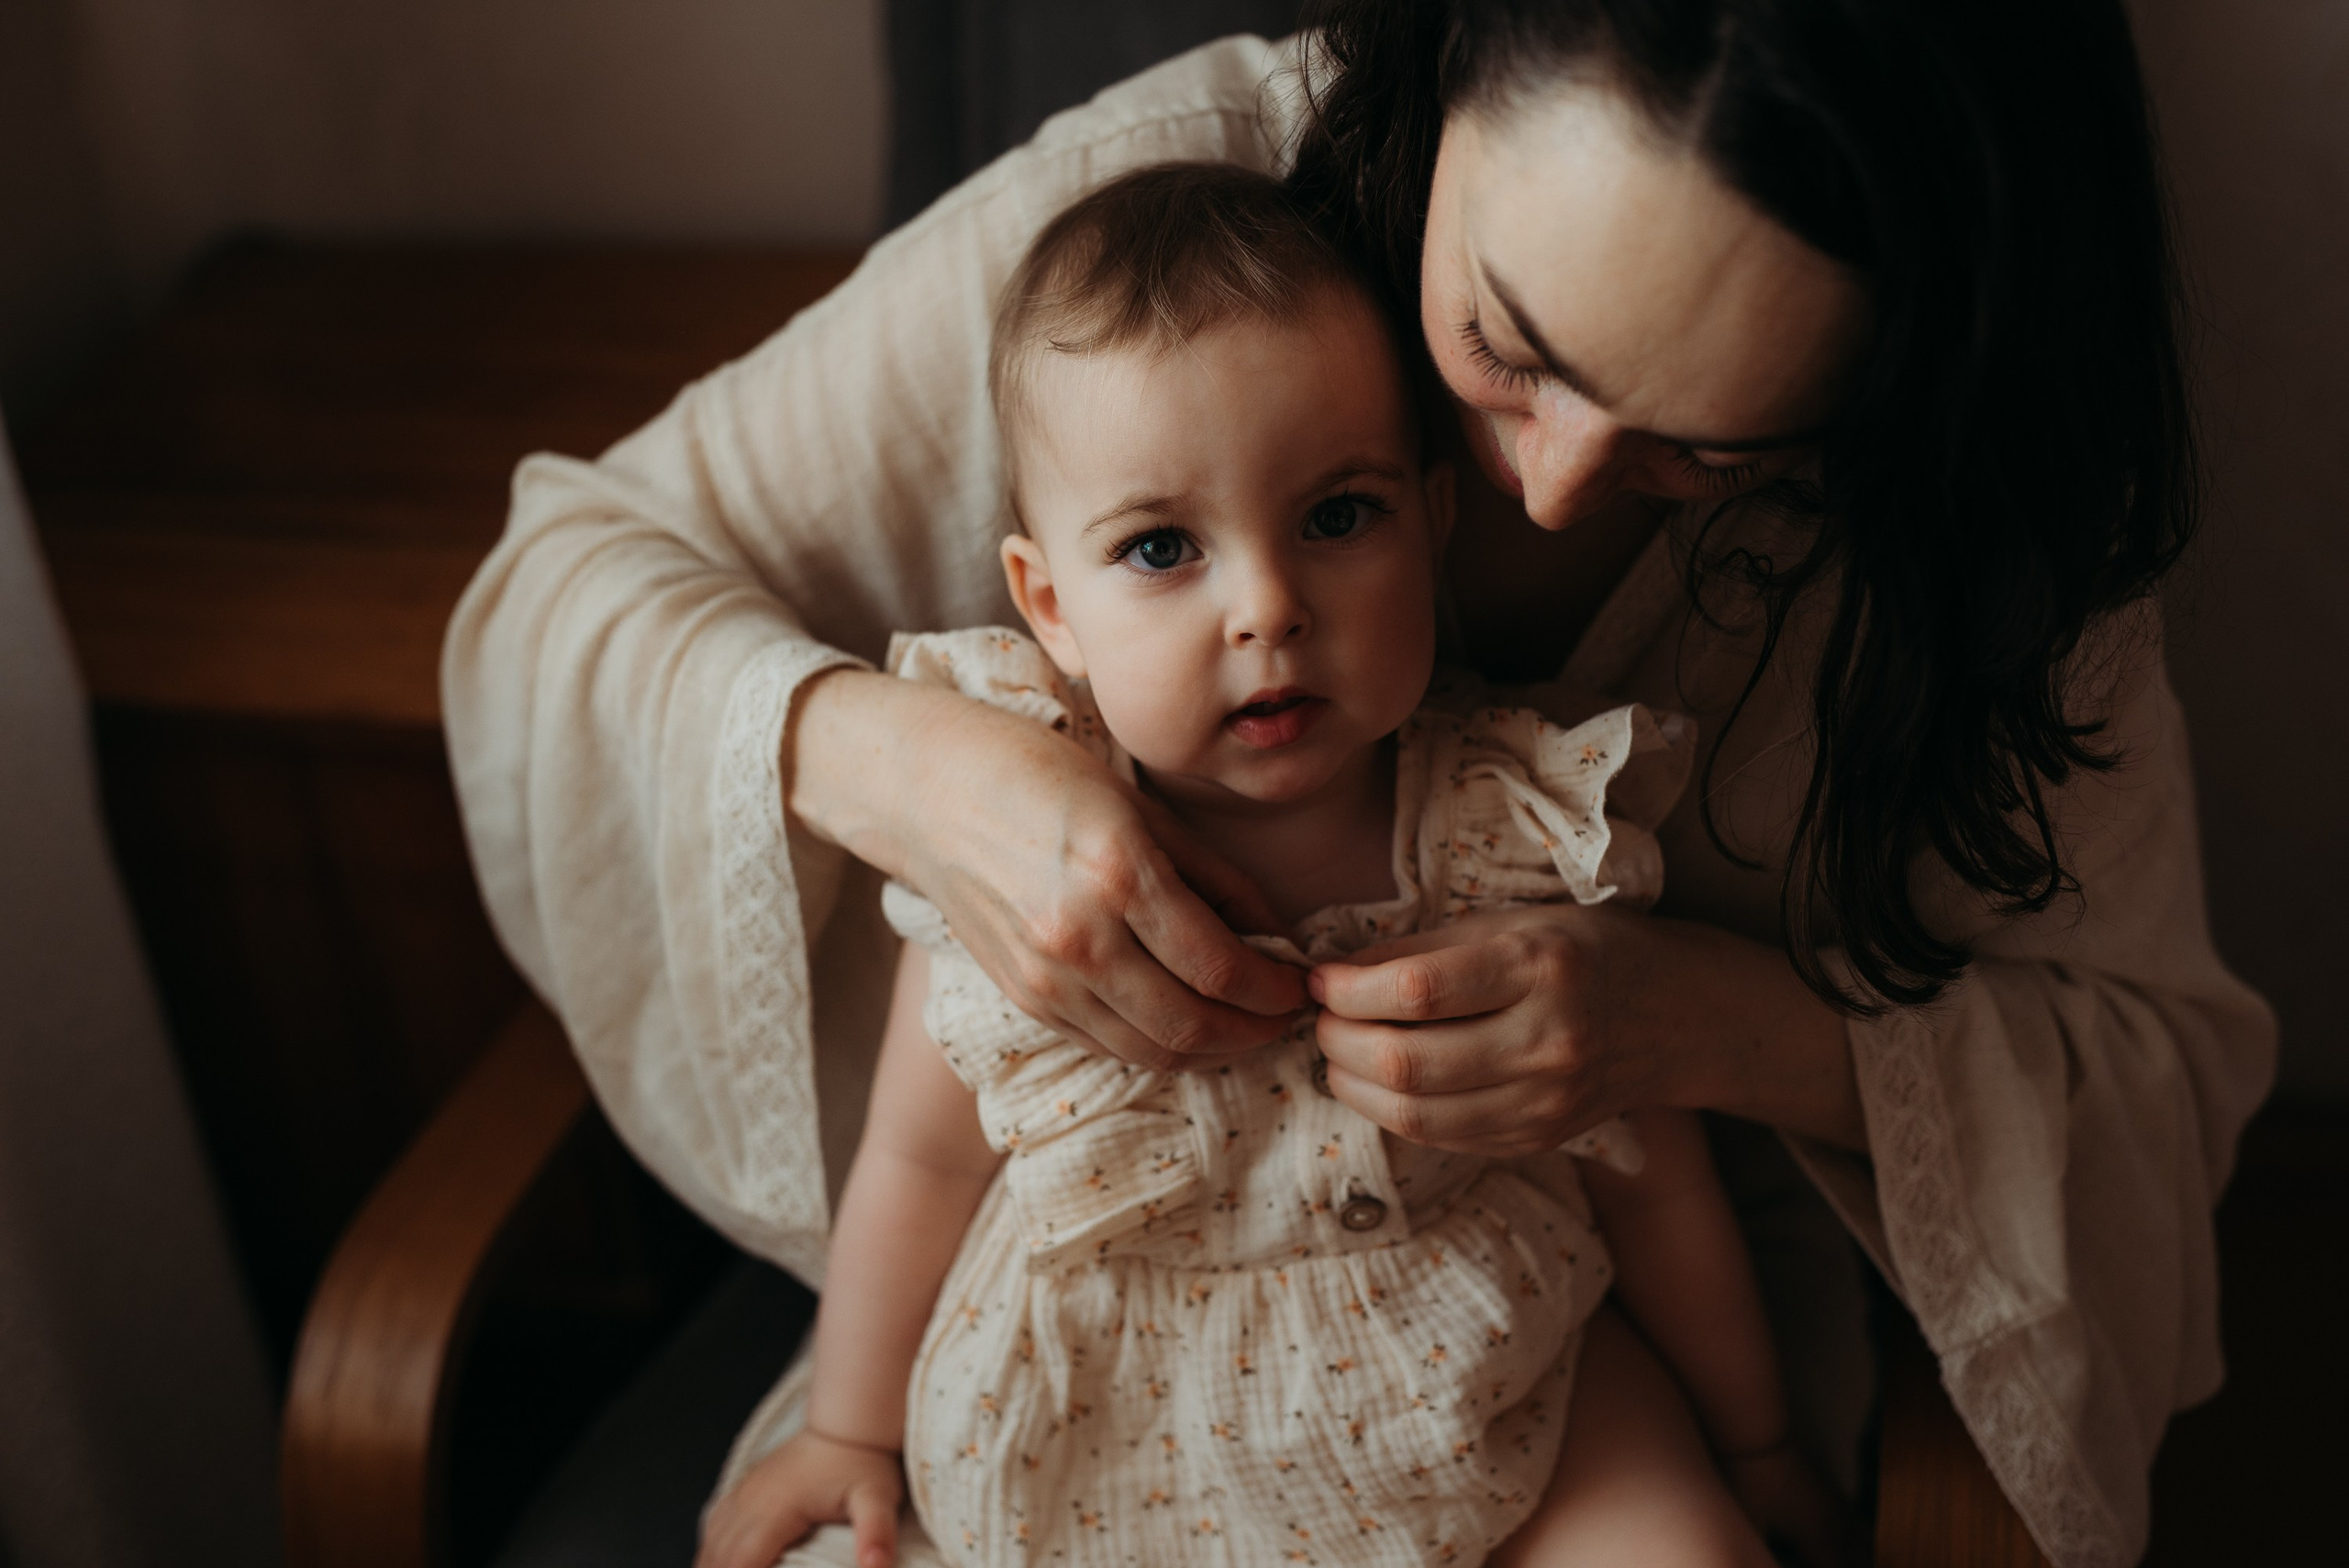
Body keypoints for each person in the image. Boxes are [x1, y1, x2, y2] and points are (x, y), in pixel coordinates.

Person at [440, 4, 2276, 1564]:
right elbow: (558, 598)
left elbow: (2132, 1072)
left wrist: (1687, 1030)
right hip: (1099, 1357)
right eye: (1499, 348)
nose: (1545, 490)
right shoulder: (1163, 235)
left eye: (1706, 453)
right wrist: (910, 772)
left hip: (1521, 1344)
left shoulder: (1934, 534)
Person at [695, 164, 1842, 1568]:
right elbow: (918, 1164)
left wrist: (1758, 1444)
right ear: (1049, 602)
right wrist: (847, 1430)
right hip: (1119, 1415)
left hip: (1490, 1365)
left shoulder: (1513, 830)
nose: (1268, 609)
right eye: (1163, 547)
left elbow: (1655, 1180)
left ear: (1434, 517)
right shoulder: (1018, 855)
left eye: (1338, 516)